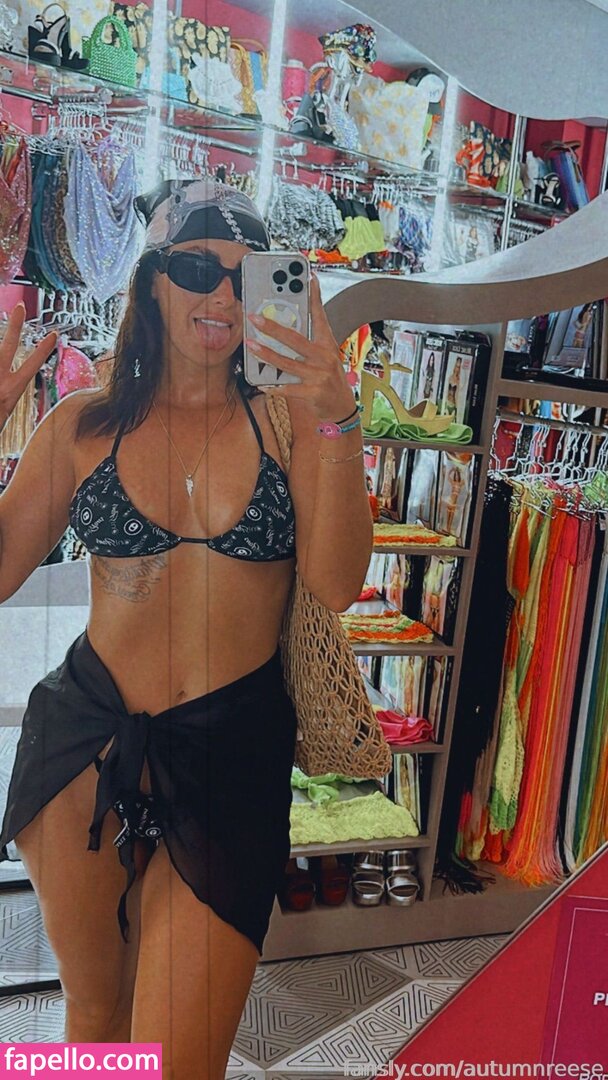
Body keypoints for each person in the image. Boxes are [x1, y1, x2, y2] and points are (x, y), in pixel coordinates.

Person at [0, 179, 373, 1079]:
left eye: (248, 280)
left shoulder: (291, 425)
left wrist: (337, 416)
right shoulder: (84, 425)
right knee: (95, 1016)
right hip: (84, 745)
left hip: (230, 759)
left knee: (178, 1060)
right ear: (152, 281)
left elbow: (336, 581)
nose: (223, 298)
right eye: (199, 270)